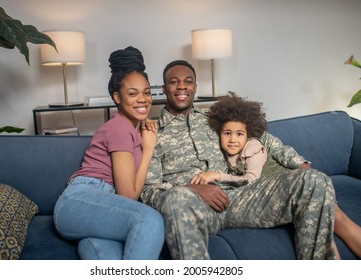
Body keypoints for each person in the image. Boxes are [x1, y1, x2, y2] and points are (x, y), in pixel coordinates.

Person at [140, 59, 358, 260]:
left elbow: (264, 137)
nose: (181, 87)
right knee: (175, 199)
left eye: (188, 82)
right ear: (164, 88)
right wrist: (192, 189)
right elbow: (148, 189)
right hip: (195, 206)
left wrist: (298, 163)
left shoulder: (213, 118)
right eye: (174, 82)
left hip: (240, 196)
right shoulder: (152, 132)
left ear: (195, 87)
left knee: (313, 180)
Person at [192, 92, 361, 259]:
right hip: (278, 191)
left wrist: (303, 166)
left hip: (290, 184)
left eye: (239, 134)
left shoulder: (253, 144)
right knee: (326, 220)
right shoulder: (220, 144)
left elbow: (258, 172)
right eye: (227, 133)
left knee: (336, 218)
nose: (232, 138)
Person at [53, 46, 165, 260]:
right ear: (117, 97)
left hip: (100, 208)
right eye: (132, 94)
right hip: (82, 199)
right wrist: (148, 149)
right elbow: (129, 195)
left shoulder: (130, 129)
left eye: (147, 92)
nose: (143, 99)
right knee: (149, 220)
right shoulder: (120, 129)